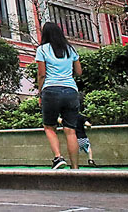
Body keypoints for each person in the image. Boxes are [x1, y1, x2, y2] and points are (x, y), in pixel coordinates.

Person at [36, 21, 83, 170]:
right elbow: (79, 72)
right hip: (71, 91)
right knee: (70, 130)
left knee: (49, 127)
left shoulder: (42, 50)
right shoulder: (70, 49)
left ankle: (58, 157)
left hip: (51, 90)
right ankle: (75, 167)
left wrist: (40, 93)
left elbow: (42, 75)